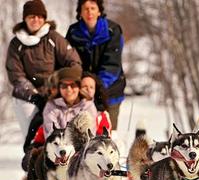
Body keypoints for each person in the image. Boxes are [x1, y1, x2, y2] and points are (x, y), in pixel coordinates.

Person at [5, 0, 81, 151]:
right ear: (25, 19)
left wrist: (61, 85)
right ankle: (32, 162)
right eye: (31, 16)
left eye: (40, 16)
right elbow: (16, 75)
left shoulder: (53, 38)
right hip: (27, 97)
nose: (36, 20)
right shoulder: (16, 44)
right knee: (33, 134)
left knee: (58, 133)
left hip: (54, 93)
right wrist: (34, 96)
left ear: (44, 18)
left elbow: (74, 63)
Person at [66, 0, 126, 133]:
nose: (89, 12)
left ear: (99, 11)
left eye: (93, 8)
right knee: (83, 134)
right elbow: (70, 61)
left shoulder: (113, 30)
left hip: (110, 91)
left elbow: (112, 64)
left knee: (107, 134)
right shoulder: (73, 32)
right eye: (85, 9)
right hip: (82, 93)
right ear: (80, 12)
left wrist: (96, 86)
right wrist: (82, 85)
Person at [43, 66, 97, 138]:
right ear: (59, 88)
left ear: (79, 87)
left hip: (81, 148)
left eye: (73, 85)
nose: (69, 89)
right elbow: (51, 135)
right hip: (59, 147)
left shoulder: (88, 106)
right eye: (64, 86)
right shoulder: (51, 106)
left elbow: (88, 135)